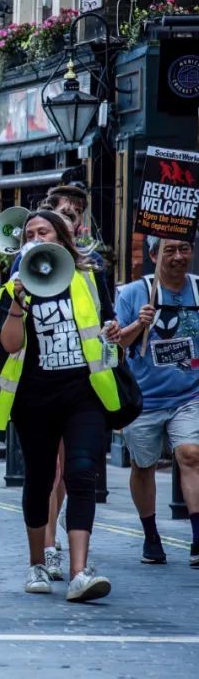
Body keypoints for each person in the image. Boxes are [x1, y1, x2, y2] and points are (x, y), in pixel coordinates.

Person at [0, 210, 121, 602]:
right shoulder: (13, 286)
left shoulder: (89, 278)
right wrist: (17, 303)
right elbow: (10, 344)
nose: (34, 236)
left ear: (61, 236)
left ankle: (80, 572)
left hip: (84, 393)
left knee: (83, 475)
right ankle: (37, 563)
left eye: (42, 230)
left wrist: (113, 331)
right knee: (41, 477)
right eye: (28, 233)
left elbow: (108, 325)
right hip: (35, 397)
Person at [115, 237, 199, 567]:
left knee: (191, 455)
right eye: (170, 250)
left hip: (189, 395)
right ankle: (151, 534)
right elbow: (117, 343)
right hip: (144, 399)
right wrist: (140, 322)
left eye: (185, 249)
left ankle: (197, 537)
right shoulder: (134, 293)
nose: (179, 257)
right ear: (153, 255)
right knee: (143, 466)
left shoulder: (197, 289)